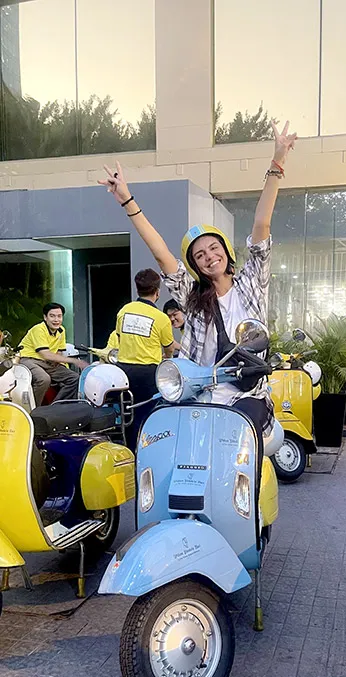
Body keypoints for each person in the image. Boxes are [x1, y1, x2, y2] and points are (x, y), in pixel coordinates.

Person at [99, 121, 296, 471]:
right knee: (163, 440)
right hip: (199, 396)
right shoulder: (193, 297)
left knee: (236, 457)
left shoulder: (252, 283)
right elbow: (161, 253)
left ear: (225, 251)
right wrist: (127, 201)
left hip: (246, 396)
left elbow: (261, 225)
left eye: (214, 248)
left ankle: (248, 502)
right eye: (199, 255)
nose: (209, 257)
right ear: (195, 265)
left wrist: (277, 162)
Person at [115, 268, 175, 449]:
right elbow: (169, 347)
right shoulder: (161, 318)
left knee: (127, 414)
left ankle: (129, 450)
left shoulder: (124, 311)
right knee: (149, 415)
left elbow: (119, 338)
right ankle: (147, 450)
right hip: (148, 374)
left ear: (137, 289)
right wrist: (167, 358)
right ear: (157, 291)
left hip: (123, 371)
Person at [19, 303, 88, 406]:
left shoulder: (61, 330)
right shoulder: (39, 329)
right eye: (52, 316)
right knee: (44, 379)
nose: (56, 320)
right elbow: (45, 354)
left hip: (48, 362)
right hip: (29, 359)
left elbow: (59, 351)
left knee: (74, 378)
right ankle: (33, 409)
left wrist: (58, 362)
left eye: (59, 316)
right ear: (45, 317)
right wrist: (74, 361)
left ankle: (56, 407)